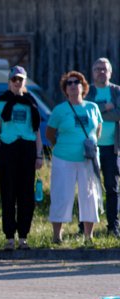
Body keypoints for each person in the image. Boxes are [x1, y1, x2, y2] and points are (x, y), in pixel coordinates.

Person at [0, 66, 43, 250]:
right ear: (9, 81)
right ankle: (9, 237)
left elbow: (36, 132)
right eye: (14, 79)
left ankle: (23, 236)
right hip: (8, 149)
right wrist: (0, 152)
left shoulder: (30, 102)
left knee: (26, 195)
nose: (17, 83)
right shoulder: (0, 103)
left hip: (27, 149)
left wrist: (39, 154)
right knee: (8, 194)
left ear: (25, 82)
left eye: (20, 80)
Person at [46, 70, 102, 245]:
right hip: (64, 158)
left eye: (76, 82)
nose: (73, 85)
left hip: (87, 159)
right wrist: (64, 147)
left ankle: (88, 236)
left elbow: (98, 129)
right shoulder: (59, 110)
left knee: (89, 196)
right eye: (69, 83)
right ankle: (57, 236)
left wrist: (89, 145)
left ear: (83, 86)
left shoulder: (92, 107)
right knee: (61, 195)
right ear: (65, 89)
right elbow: (50, 134)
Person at [89, 58, 120, 237]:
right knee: (89, 188)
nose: (101, 72)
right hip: (91, 148)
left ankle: (113, 227)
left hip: (111, 148)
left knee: (112, 187)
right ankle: (85, 227)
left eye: (104, 69)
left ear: (110, 72)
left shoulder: (116, 91)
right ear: (93, 72)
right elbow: (84, 114)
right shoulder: (89, 91)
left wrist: (98, 111)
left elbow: (118, 114)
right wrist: (106, 107)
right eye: (98, 69)